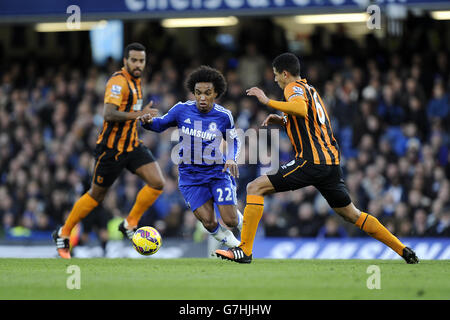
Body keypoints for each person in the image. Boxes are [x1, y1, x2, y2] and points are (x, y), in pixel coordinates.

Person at [215, 53, 419, 264]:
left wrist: (268, 101)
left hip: (311, 161)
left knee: (254, 188)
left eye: (276, 75)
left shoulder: (292, 88)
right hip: (330, 163)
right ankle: (402, 249)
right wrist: (284, 121)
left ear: (285, 74)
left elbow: (301, 110)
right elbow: (312, 123)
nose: (275, 79)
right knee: (352, 214)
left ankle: (245, 250)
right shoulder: (310, 90)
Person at [52, 43, 165, 259]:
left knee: (158, 183)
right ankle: (64, 232)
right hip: (111, 150)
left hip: (131, 145)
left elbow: (130, 114)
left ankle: (129, 223)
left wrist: (141, 116)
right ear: (125, 61)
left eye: (141, 60)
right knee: (96, 196)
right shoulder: (117, 82)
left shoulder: (137, 82)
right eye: (134, 60)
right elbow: (109, 114)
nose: (138, 64)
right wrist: (138, 113)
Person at [139, 65, 243, 249]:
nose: (202, 97)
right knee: (209, 223)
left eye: (207, 93)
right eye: (198, 92)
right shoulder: (181, 110)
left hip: (217, 173)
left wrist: (231, 157)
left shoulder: (224, 116)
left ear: (215, 93)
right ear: (193, 93)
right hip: (190, 177)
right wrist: (148, 123)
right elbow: (160, 124)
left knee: (231, 220)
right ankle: (238, 248)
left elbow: (234, 140)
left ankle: (240, 221)